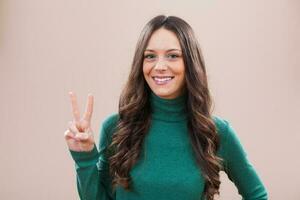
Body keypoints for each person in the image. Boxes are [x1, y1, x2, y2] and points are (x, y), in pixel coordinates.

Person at [64, 15, 268, 200]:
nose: (159, 66)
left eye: (172, 56)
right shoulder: (116, 128)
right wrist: (84, 158)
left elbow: (257, 195)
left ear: (190, 62)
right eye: (150, 56)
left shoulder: (216, 132)